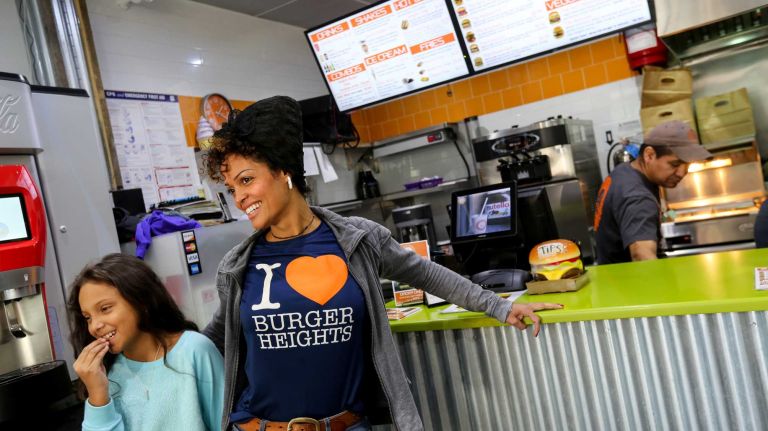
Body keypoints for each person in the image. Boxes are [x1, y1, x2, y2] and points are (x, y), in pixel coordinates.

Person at [201, 96, 563, 431]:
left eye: (247, 180)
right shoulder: (238, 265)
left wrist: (500, 306)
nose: (240, 197)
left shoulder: (357, 240)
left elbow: (428, 274)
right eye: (232, 188)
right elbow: (213, 339)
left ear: (283, 172)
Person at [67, 253, 224, 431]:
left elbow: (224, 424)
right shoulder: (103, 373)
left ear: (142, 302)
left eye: (105, 309)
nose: (95, 326)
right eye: (87, 317)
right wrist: (97, 393)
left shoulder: (194, 350)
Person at [594, 121, 713, 264]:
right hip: (631, 284)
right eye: (675, 164)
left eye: (687, 164)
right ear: (649, 155)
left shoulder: (625, 171)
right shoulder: (638, 197)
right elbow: (642, 256)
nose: (682, 173)